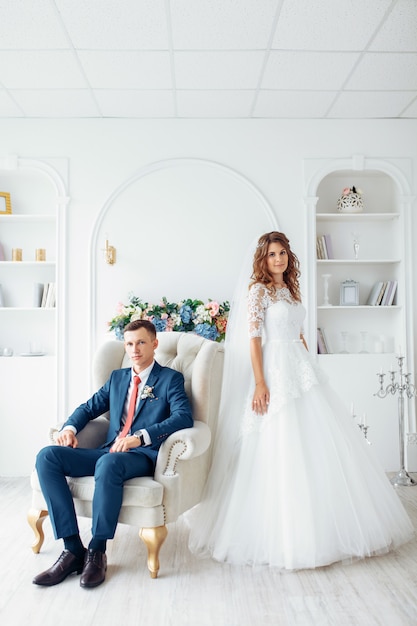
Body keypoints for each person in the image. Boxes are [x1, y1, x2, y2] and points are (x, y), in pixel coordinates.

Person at [187, 231, 414, 569]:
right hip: (273, 370)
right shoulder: (258, 292)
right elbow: (253, 340)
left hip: (300, 368)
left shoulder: (290, 291)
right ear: (262, 260)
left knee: (319, 440)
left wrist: (310, 366)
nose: (278, 259)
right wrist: (261, 383)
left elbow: (300, 333)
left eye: (282, 253)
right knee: (276, 439)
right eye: (271, 255)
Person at [33, 319, 193, 588]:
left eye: (141, 342)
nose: (135, 349)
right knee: (47, 456)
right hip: (107, 452)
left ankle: (97, 551)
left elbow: (183, 417)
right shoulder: (118, 378)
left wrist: (139, 438)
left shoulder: (170, 379)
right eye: (129, 344)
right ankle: (73, 549)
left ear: (154, 344)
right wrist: (70, 428)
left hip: (140, 456)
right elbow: (89, 407)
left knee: (109, 463)